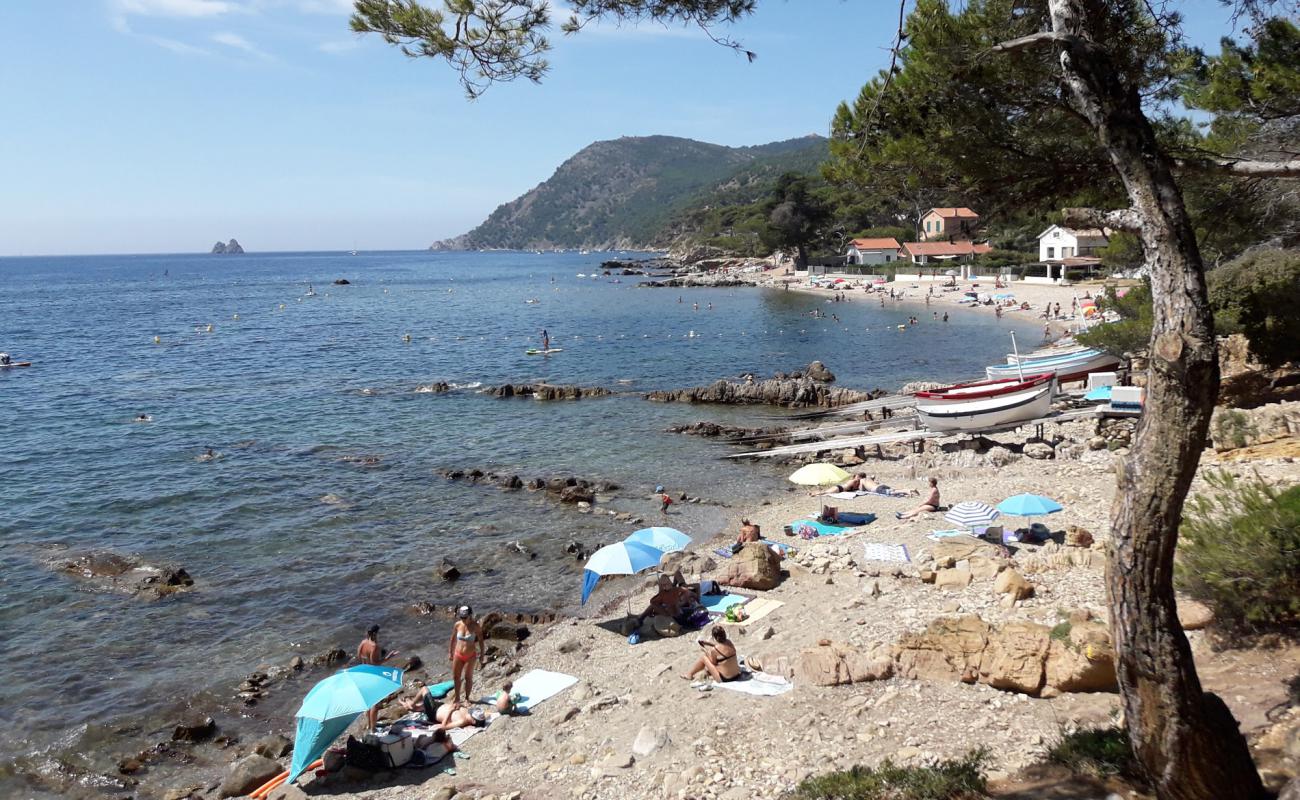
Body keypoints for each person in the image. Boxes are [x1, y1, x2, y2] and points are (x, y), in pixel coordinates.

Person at [358, 624, 400, 730]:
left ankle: (369, 724)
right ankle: (373, 728)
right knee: (375, 705)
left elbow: (360, 656)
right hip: (373, 676)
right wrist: (388, 657)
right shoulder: (375, 646)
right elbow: (375, 663)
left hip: (363, 674)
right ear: (376, 633)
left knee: (368, 702)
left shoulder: (363, 643)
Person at [448, 606, 482, 708]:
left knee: (468, 678)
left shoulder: (475, 626)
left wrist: (482, 654)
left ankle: (467, 698)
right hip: (458, 654)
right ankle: (457, 698)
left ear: (470, 616)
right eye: (462, 617)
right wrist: (450, 652)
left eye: (465, 617)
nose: (463, 619)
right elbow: (452, 639)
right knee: (456, 677)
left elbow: (480, 640)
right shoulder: (457, 625)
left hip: (470, 656)